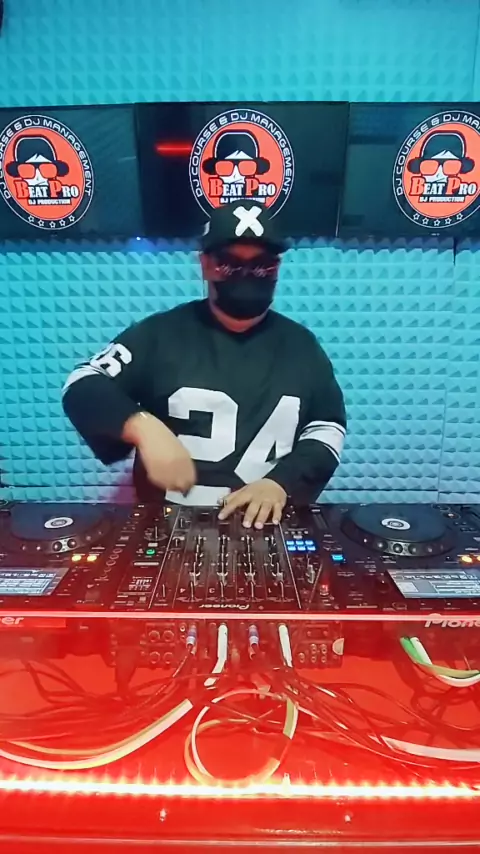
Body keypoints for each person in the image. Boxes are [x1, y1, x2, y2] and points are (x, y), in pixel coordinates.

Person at [62, 202, 346, 529]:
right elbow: (82, 383)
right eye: (230, 264)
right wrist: (143, 427)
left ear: (277, 268)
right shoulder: (159, 334)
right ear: (205, 264)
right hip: (168, 526)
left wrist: (281, 483)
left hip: (266, 526)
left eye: (261, 265)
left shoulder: (302, 346)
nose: (246, 274)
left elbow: (326, 428)